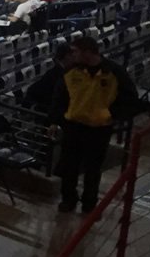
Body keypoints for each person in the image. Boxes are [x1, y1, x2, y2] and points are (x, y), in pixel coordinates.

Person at [51, 35, 140, 214]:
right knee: (70, 167)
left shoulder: (114, 72)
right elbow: (59, 97)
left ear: (88, 52)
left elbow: (131, 99)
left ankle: (89, 204)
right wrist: (54, 121)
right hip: (73, 126)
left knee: (93, 169)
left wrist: (111, 115)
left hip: (99, 129)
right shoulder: (70, 72)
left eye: (75, 51)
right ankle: (68, 199)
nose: (72, 54)